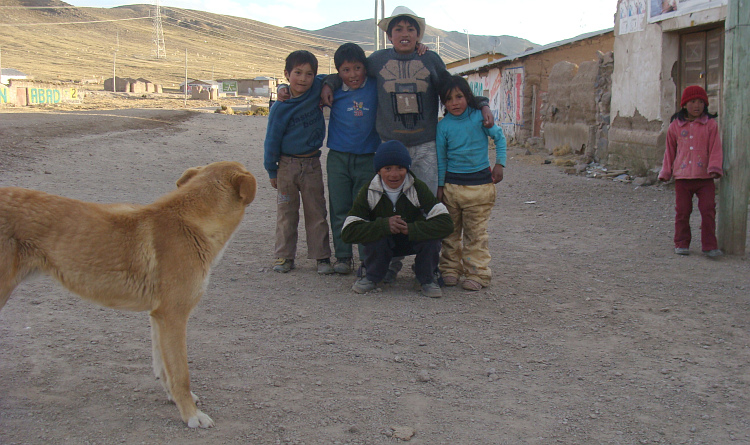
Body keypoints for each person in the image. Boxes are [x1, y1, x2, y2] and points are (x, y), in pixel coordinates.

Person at [322, 7, 493, 284]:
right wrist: (327, 82)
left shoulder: (430, 59)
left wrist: (481, 104)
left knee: (428, 206)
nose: (405, 34)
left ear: (419, 35)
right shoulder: (377, 60)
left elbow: (452, 87)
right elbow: (351, 70)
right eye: (398, 29)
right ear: (389, 36)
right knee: (387, 204)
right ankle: (389, 263)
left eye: (410, 29)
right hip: (390, 149)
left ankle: (428, 267)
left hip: (425, 144)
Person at [341, 140, 454, 298]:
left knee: (432, 238)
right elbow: (347, 231)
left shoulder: (417, 187)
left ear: (407, 169)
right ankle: (372, 276)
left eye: (400, 168)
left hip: (411, 238)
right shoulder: (369, 191)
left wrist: (413, 229)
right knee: (375, 237)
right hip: (384, 241)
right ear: (378, 171)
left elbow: (446, 223)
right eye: (387, 168)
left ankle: (427, 278)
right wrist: (384, 226)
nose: (394, 174)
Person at [263, 50, 334, 274]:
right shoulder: (281, 107)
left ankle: (321, 257)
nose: (303, 79)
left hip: (312, 164)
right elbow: (271, 140)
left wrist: (323, 85)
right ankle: (284, 257)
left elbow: (330, 78)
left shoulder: (315, 90)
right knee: (286, 213)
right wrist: (271, 170)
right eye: (298, 73)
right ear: (286, 74)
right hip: (286, 167)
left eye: (309, 74)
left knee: (317, 212)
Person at [436, 75, 507, 290]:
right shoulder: (443, 127)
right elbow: (442, 158)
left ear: (468, 96)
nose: (455, 103)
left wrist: (500, 163)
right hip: (452, 189)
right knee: (450, 233)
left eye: (459, 96)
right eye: (449, 99)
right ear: (443, 103)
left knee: (475, 234)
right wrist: (440, 186)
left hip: (479, 188)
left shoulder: (480, 118)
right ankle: (449, 270)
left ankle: (477, 274)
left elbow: (500, 137)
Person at [326, 43, 381, 275]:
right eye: (345, 70)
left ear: (365, 67)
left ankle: (366, 257)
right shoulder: (333, 88)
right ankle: (343, 256)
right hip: (338, 157)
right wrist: (328, 82)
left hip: (368, 157)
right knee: (339, 208)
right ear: (338, 72)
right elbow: (316, 79)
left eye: (357, 68)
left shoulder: (376, 87)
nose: (352, 75)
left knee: (365, 210)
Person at [658, 85, 723, 257]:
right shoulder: (675, 127)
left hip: (705, 178)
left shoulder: (710, 125)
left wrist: (715, 168)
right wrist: (666, 172)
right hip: (683, 178)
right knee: (682, 211)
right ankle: (681, 242)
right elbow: (669, 151)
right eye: (693, 102)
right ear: (685, 104)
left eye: (701, 102)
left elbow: (716, 148)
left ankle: (709, 245)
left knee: (708, 210)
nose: (697, 106)